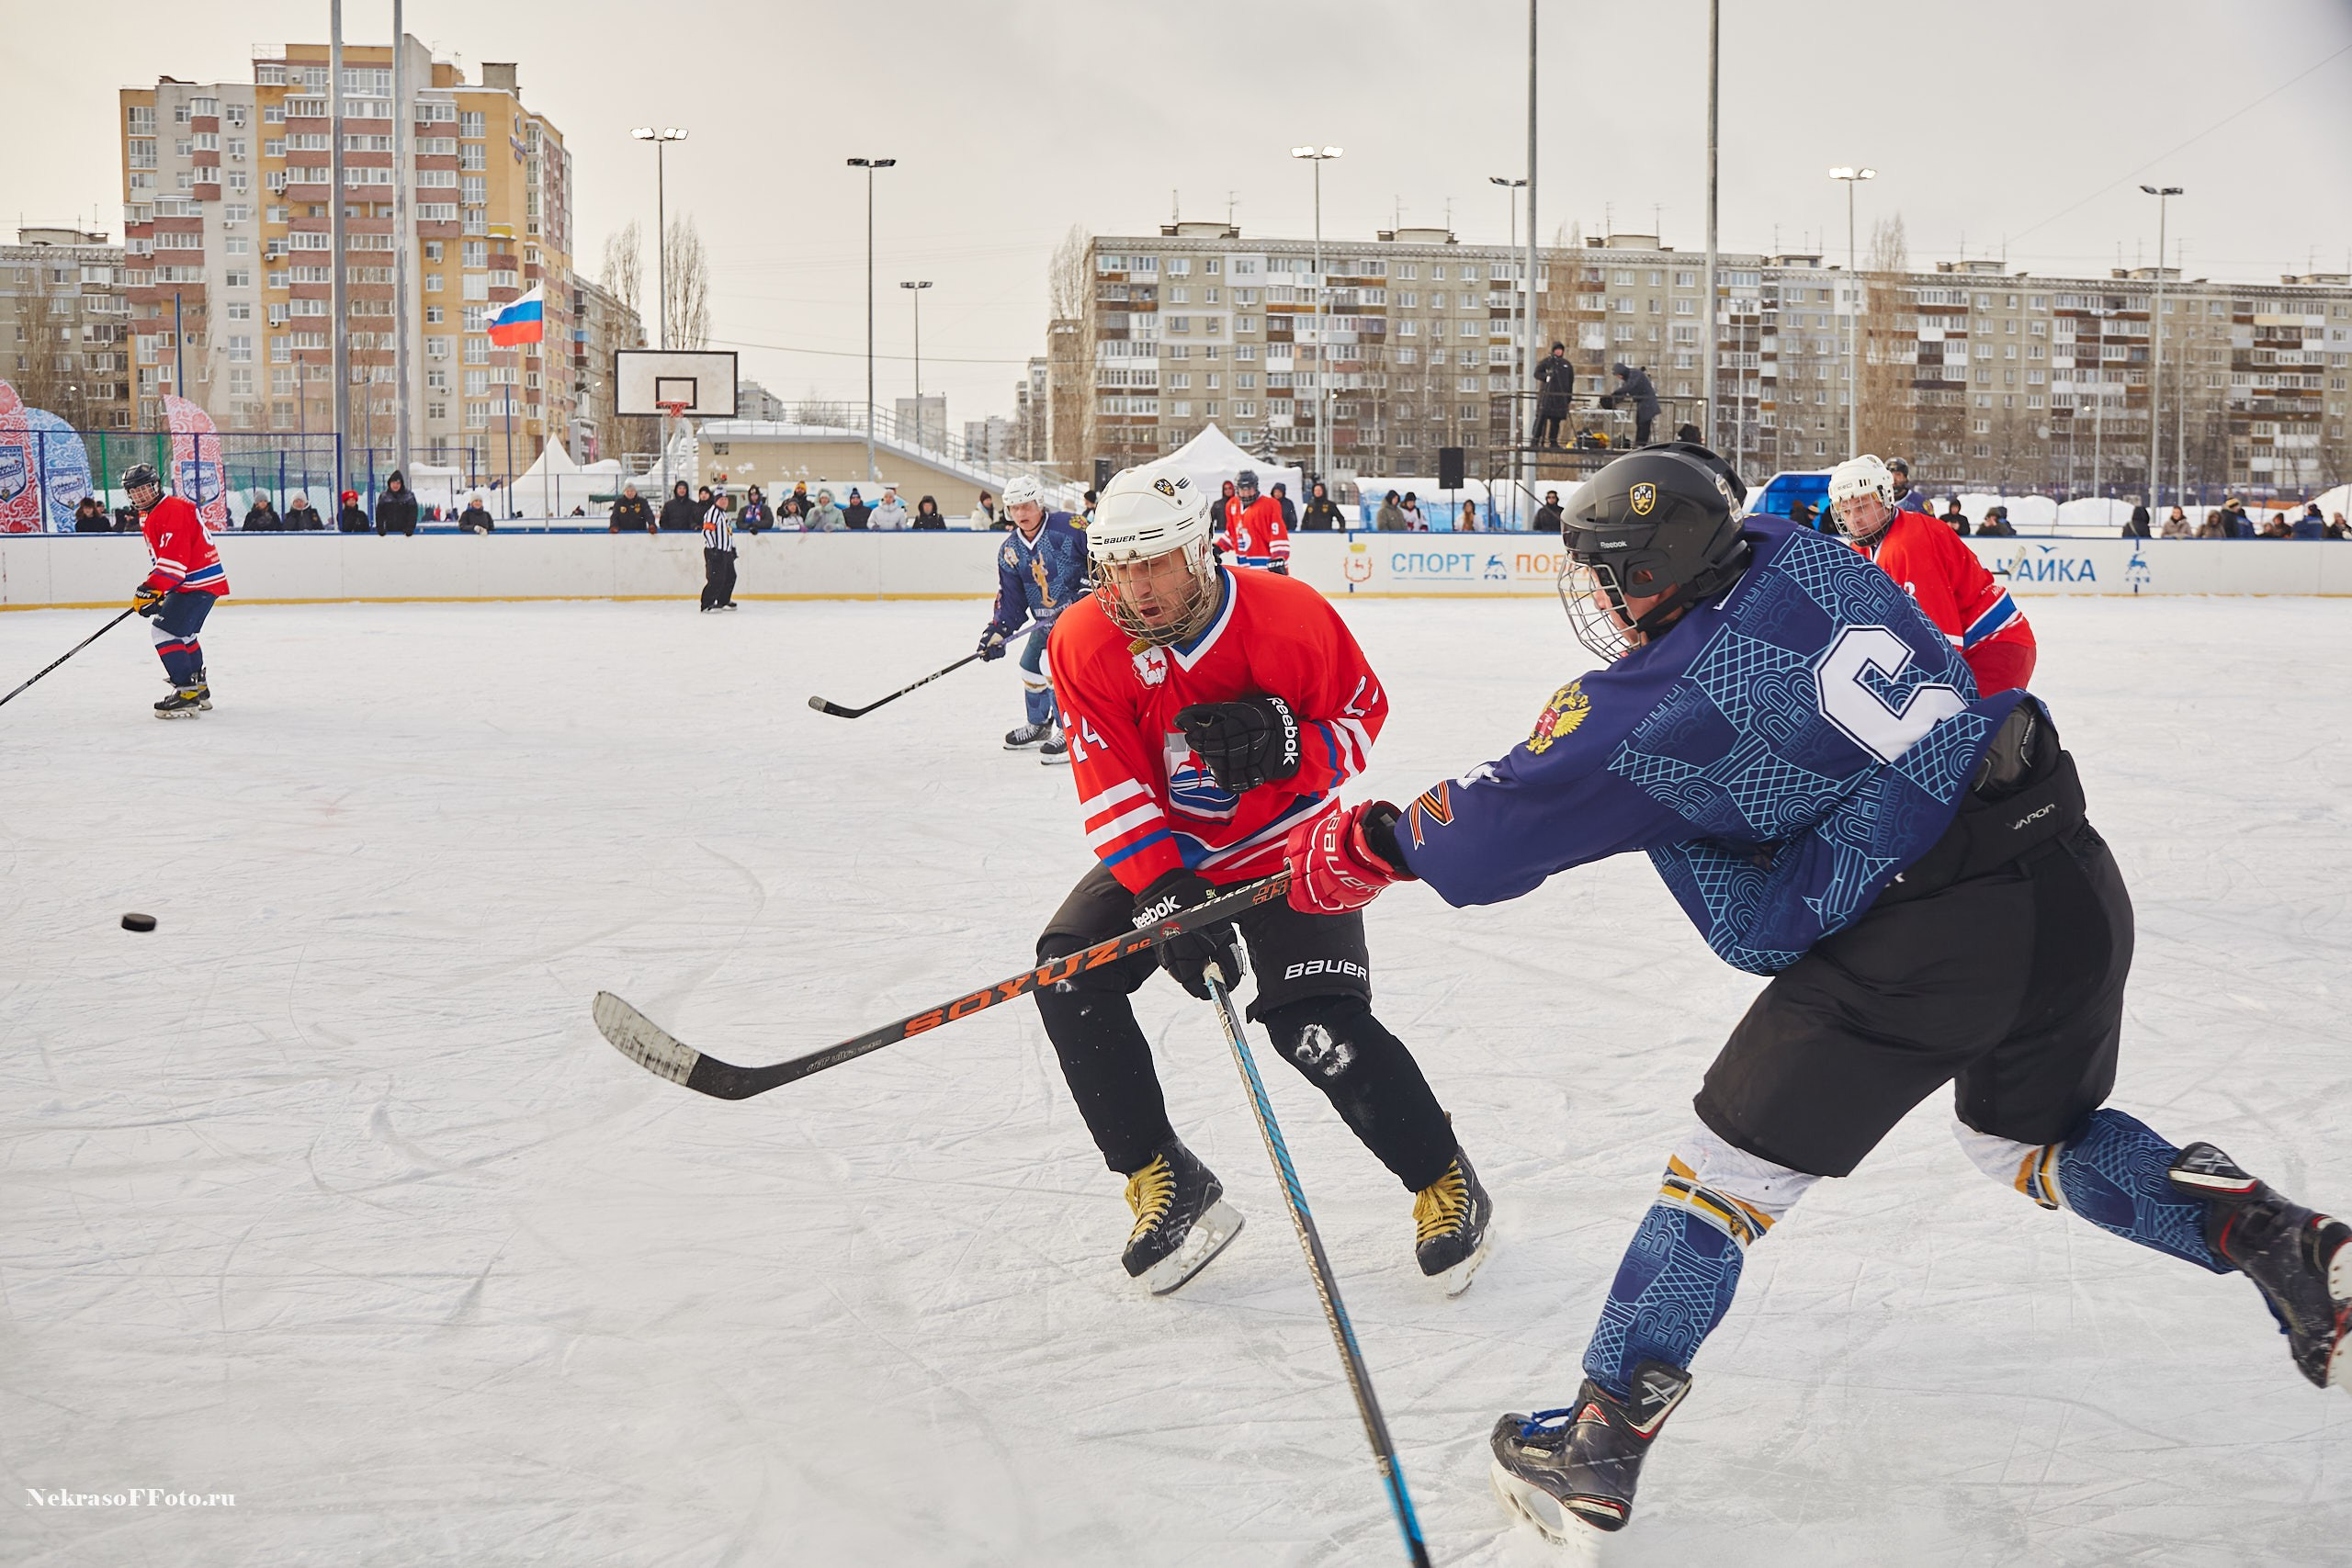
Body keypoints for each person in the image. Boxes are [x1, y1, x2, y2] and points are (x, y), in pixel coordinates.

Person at [1280, 445, 2352, 1547]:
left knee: (1719, 1186)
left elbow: (1500, 827)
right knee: (2027, 1140)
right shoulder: (1803, 551)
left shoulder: (1649, 708)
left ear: (1657, 569)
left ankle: (1595, 1445)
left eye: (1614, 570)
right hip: (2065, 870)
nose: (1601, 593)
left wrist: (1380, 840)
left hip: (1925, 933)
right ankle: (2276, 1239)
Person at [1039, 465, 1492, 1295]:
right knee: (1068, 970)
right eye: (1119, 566)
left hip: (1293, 842)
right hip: (1174, 850)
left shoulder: (1290, 617)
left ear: (1199, 549)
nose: (1137, 588)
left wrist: (1294, 749)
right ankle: (1163, 1176)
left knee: (1313, 1022)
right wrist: (1167, 893)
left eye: (1156, 562)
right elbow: (1112, 786)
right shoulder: (1083, 639)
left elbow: (1363, 720)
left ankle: (1442, 1173)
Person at [1828, 454, 2035, 694]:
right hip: (1970, 648)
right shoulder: (1863, 547)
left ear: (1885, 498)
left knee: (1961, 725)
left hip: (1993, 645)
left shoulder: (1909, 545)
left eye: (1862, 506)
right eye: (1846, 511)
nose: (1854, 520)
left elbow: (1940, 644)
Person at [976, 474, 1086, 760]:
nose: (1021, 513)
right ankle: (1039, 725)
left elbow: (1102, 556)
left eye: (1026, 506)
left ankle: (1069, 730)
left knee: (1051, 667)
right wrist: (998, 629)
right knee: (1029, 667)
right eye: (1014, 508)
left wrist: (1090, 587)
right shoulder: (1010, 550)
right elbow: (1012, 599)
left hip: (1081, 620)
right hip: (1046, 621)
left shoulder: (1071, 527)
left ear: (1039, 503)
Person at [121, 462, 229, 718]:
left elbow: (174, 561)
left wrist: (151, 588)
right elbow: (168, 559)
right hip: (197, 583)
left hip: (195, 583)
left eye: (145, 489)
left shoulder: (171, 510)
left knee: (163, 632)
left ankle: (186, 692)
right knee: (184, 634)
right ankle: (198, 688)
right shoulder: (153, 512)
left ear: (156, 486)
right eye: (134, 491)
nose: (140, 495)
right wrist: (157, 590)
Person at [1214, 468, 1291, 574]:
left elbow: (1278, 534)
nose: (1246, 494)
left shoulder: (1270, 505)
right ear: (1237, 490)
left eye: (1249, 489)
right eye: (1242, 490)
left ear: (1256, 487)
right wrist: (1219, 548)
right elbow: (1233, 532)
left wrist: (1278, 559)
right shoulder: (1232, 505)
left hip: (1268, 566)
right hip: (1245, 567)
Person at [1532, 342, 1577, 449]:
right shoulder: (1547, 362)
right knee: (1541, 419)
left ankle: (1553, 441)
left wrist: (1568, 397)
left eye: (1560, 350)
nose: (1558, 352)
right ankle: (1535, 440)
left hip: (1560, 398)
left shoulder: (1566, 365)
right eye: (1556, 349)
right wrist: (1546, 376)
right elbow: (1537, 373)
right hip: (1547, 396)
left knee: (1555, 421)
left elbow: (1570, 381)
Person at [700, 486, 738, 612]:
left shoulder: (724, 514)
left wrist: (732, 548)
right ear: (716, 500)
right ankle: (707, 604)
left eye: (726, 499)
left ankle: (723, 600)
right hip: (715, 551)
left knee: (730, 576)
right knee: (716, 578)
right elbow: (707, 532)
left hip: (725, 551)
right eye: (721, 499)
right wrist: (713, 549)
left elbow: (728, 533)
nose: (724, 501)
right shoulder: (712, 513)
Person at [1606, 363, 1660, 446]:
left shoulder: (1635, 373)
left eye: (1618, 375)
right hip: (1643, 402)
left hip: (1648, 402)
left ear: (1622, 372)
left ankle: (1641, 444)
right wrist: (1614, 400)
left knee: (1644, 423)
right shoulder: (1630, 377)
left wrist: (1615, 394)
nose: (1619, 378)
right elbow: (1626, 391)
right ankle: (1639, 444)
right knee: (1640, 422)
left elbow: (1629, 387)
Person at [372, 471, 418, 536]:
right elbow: (379, 514)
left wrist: (410, 528)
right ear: (389, 483)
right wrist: (380, 528)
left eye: (398, 483)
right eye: (393, 483)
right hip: (388, 533)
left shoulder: (409, 496)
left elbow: (413, 514)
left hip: (405, 534)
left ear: (401, 484)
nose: (395, 485)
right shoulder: (384, 497)